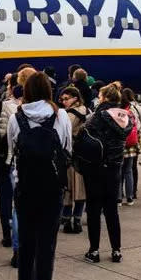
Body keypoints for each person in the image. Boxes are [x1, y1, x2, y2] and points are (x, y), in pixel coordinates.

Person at [7, 72, 72, 280]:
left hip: (25, 190)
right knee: (47, 248)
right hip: (52, 190)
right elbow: (66, 147)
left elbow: (14, 151)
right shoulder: (60, 115)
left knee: (26, 246)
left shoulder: (16, 117)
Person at [81, 85, 131, 263]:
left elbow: (85, 132)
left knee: (94, 210)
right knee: (112, 211)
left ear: (103, 98)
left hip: (96, 167)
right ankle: (116, 250)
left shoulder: (98, 116)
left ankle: (94, 250)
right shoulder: (125, 116)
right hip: (115, 167)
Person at [0, 73, 20, 252]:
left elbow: (0, 132)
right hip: (23, 158)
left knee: (7, 195)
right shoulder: (45, 109)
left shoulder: (3, 105)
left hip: (7, 157)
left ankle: (7, 233)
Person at [59, 86, 88, 234]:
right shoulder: (87, 110)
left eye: (66, 99)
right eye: (62, 99)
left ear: (75, 98)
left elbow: (64, 131)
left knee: (69, 188)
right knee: (81, 189)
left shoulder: (70, 114)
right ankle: (77, 219)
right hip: (84, 156)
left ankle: (68, 219)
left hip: (72, 156)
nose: (63, 102)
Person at [120, 88, 141, 204]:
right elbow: (140, 125)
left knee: (119, 171)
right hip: (132, 143)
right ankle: (130, 196)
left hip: (120, 143)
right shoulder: (135, 109)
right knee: (129, 170)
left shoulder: (117, 110)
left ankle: (119, 198)